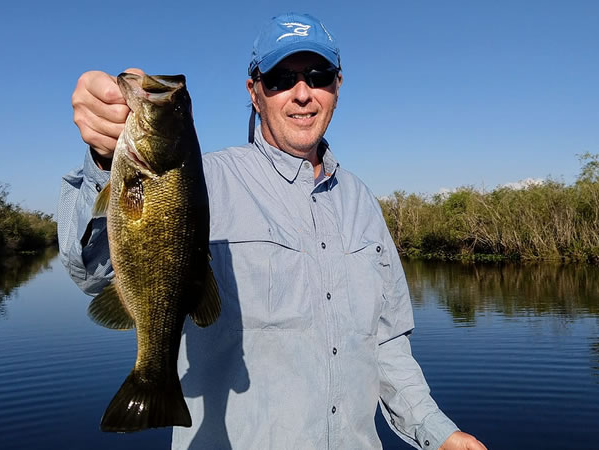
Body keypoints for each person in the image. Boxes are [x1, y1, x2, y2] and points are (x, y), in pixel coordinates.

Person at [59, 12, 487, 450]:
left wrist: (439, 433)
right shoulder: (202, 181)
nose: (302, 93)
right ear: (255, 93)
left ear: (337, 87)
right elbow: (92, 271)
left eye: (318, 76)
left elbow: (387, 343)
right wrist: (102, 156)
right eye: (281, 79)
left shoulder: (362, 203)